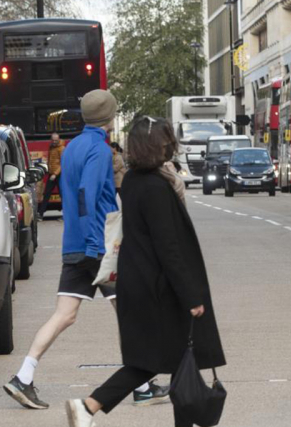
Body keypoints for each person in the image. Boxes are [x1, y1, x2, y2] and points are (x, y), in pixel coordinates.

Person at [65, 116, 226, 427]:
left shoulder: (138, 180)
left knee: (174, 356)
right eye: (167, 141)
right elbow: (169, 247)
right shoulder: (154, 187)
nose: (172, 146)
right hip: (159, 288)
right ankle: (90, 406)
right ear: (158, 146)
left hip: (142, 282)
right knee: (157, 358)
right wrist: (191, 295)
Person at [5, 91, 169, 410]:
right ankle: (144, 386)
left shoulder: (71, 147)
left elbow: (76, 196)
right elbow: (87, 195)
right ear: (109, 117)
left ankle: (23, 377)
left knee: (64, 315)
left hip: (75, 243)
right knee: (130, 313)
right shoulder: (98, 148)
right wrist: (98, 247)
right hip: (100, 245)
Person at [39, 133, 64, 214]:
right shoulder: (51, 147)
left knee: (62, 195)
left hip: (59, 175)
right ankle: (41, 212)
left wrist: (55, 174)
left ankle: (66, 214)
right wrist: (48, 170)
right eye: (52, 140)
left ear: (59, 139)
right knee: (46, 194)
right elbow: (50, 160)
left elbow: (62, 163)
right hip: (51, 174)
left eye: (56, 140)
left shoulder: (62, 148)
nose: (54, 141)